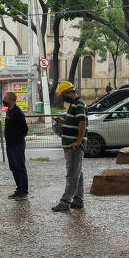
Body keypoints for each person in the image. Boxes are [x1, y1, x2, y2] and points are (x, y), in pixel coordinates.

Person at [52, 81, 87, 212]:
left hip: (74, 146)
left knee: (72, 174)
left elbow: (82, 123)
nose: (63, 97)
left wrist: (78, 141)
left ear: (68, 92)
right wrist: (63, 121)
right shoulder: (74, 105)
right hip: (71, 145)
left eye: (63, 94)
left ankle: (65, 201)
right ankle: (78, 200)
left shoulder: (79, 104)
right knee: (77, 173)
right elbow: (75, 121)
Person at [3, 91, 29, 201]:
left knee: (20, 167)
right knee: (13, 168)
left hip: (17, 144)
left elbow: (25, 129)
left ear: (11, 100)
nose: (4, 100)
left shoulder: (18, 112)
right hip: (10, 145)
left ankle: (24, 191)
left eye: (5, 98)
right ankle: (19, 189)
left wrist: (16, 138)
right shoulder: (9, 111)